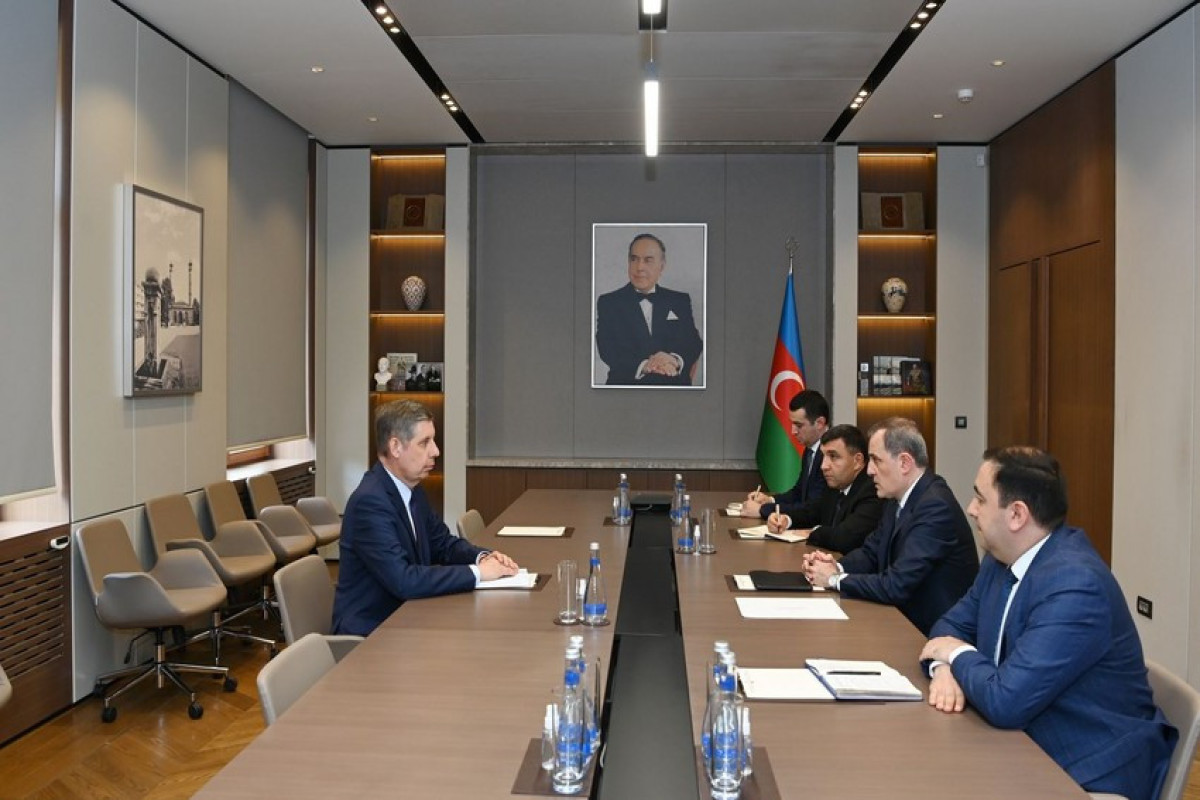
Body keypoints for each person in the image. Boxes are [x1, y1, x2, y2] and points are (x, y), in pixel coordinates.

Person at [920, 447, 1175, 800]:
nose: (970, 508)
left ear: (1016, 515)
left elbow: (1005, 701)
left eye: (980, 498)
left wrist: (956, 654)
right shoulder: (1001, 559)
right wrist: (944, 669)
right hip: (1020, 743)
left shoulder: (1076, 585)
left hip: (1087, 769)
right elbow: (949, 626)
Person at [333, 400, 519, 636]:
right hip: (372, 633)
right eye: (424, 443)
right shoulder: (370, 502)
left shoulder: (412, 490)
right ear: (395, 447)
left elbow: (442, 544)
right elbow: (404, 580)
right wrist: (479, 573)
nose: (436, 451)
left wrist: (483, 557)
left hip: (409, 616)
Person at [802, 417, 978, 634]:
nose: (869, 470)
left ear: (904, 463)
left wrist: (834, 579)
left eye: (876, 460)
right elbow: (871, 552)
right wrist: (835, 566)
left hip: (932, 633)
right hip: (902, 620)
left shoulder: (935, 506)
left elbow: (896, 584)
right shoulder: (896, 498)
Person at [595, 233, 703, 386]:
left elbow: (692, 342)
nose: (639, 267)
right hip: (627, 388)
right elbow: (607, 349)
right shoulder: (609, 302)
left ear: (661, 266)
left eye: (648, 260)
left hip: (674, 388)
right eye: (634, 259)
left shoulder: (679, 300)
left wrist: (674, 360)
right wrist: (645, 366)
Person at [765, 424, 883, 554]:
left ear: (857, 461)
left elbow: (845, 538)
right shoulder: (836, 485)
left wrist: (814, 531)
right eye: (823, 456)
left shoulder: (872, 490)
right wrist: (785, 520)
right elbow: (812, 512)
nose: (823, 466)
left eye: (833, 456)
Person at [744, 390, 831, 519]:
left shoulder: (830, 454)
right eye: (792, 424)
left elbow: (813, 508)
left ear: (819, 423)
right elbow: (798, 493)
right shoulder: (810, 449)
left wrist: (763, 510)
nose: (793, 431)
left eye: (799, 425)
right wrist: (769, 500)